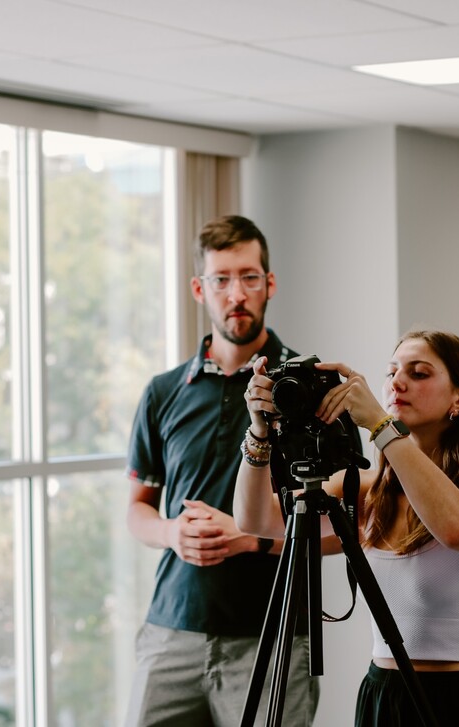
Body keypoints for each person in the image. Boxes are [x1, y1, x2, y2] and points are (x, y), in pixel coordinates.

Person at [235, 330, 459, 727]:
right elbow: (255, 520)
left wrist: (380, 423)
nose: (397, 382)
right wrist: (259, 432)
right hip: (381, 693)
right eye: (391, 372)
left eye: (419, 373)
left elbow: (456, 530)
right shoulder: (369, 490)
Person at [123, 215, 318, 726]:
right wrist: (170, 532)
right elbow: (137, 511)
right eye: (222, 279)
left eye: (250, 277)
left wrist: (251, 537)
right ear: (199, 288)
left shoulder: (308, 390)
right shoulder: (163, 392)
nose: (237, 294)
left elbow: (343, 527)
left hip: (270, 637)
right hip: (171, 631)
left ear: (269, 284)